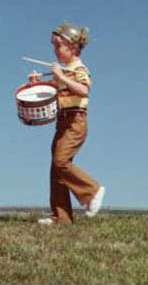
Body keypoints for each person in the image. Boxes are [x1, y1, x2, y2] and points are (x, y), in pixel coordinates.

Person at [31, 23, 105, 225]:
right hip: (62, 122)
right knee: (56, 168)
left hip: (76, 121)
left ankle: (92, 191)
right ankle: (61, 217)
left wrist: (62, 76)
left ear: (72, 48)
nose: (55, 50)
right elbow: (55, 89)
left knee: (61, 162)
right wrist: (37, 82)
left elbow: (83, 90)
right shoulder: (65, 71)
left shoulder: (79, 69)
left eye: (58, 46)